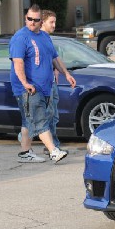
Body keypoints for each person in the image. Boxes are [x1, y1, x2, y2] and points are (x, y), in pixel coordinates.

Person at [9, 4, 75, 164]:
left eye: (35, 20)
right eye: (29, 19)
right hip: (29, 89)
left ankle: (25, 153)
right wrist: (25, 83)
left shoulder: (44, 37)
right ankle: (53, 151)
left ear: (40, 21)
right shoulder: (20, 37)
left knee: (28, 121)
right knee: (40, 119)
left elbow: (54, 58)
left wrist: (66, 73)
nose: (32, 22)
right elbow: (18, 62)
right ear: (25, 18)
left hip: (44, 88)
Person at [40, 10, 76, 155]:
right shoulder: (38, 38)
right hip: (43, 84)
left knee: (53, 115)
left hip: (51, 82)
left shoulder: (47, 38)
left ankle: (53, 145)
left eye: (55, 22)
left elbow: (55, 58)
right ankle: (48, 146)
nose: (54, 25)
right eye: (51, 22)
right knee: (45, 116)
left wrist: (65, 73)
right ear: (42, 22)